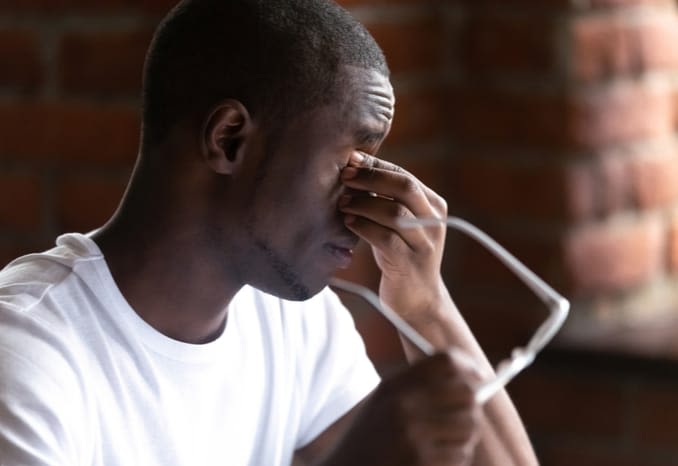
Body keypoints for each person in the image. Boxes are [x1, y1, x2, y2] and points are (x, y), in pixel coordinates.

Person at [0, 0, 538, 465]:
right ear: (230, 139)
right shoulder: (27, 353)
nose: (361, 202)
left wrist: (425, 308)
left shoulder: (291, 321)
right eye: (351, 163)